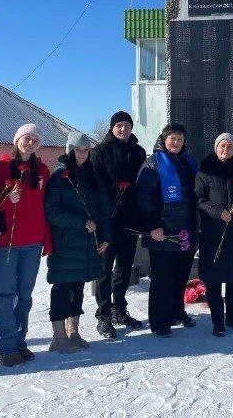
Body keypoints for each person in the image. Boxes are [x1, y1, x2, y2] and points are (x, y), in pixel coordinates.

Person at [44, 132, 112, 353]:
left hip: (87, 245)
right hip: (65, 243)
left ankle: (73, 331)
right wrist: (81, 223)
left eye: (86, 150)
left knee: (78, 287)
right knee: (62, 287)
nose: (82, 154)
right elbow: (52, 211)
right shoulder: (59, 177)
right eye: (78, 150)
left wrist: (105, 236)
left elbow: (103, 209)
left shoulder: (92, 176)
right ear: (70, 150)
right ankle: (58, 336)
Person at [0, 124, 51, 367]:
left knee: (25, 296)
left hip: (33, 241)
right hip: (8, 242)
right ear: (17, 140)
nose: (31, 143)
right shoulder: (1, 168)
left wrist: (46, 238)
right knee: (5, 295)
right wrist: (7, 200)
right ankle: (6, 346)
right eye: (27, 138)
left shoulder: (43, 170)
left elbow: (44, 206)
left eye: (36, 140)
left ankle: (19, 341)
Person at [137, 123, 199, 338]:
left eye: (180, 139)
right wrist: (153, 224)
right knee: (162, 278)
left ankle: (176, 312)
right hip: (163, 231)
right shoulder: (153, 164)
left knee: (181, 275)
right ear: (164, 139)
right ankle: (159, 322)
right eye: (172, 138)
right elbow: (145, 197)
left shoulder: (188, 161)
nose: (176, 142)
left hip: (186, 229)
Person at [91, 111, 147, 338]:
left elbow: (144, 182)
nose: (123, 129)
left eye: (127, 125)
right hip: (108, 220)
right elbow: (95, 184)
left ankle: (119, 310)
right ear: (112, 127)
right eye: (119, 125)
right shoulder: (100, 151)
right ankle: (103, 315)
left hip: (130, 220)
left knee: (124, 267)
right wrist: (111, 199)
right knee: (104, 269)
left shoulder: (138, 151)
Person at [195, 133, 233, 337]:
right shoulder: (205, 170)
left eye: (229, 146)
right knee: (214, 278)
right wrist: (218, 211)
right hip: (213, 232)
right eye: (222, 146)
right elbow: (199, 199)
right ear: (216, 147)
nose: (225, 149)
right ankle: (217, 321)